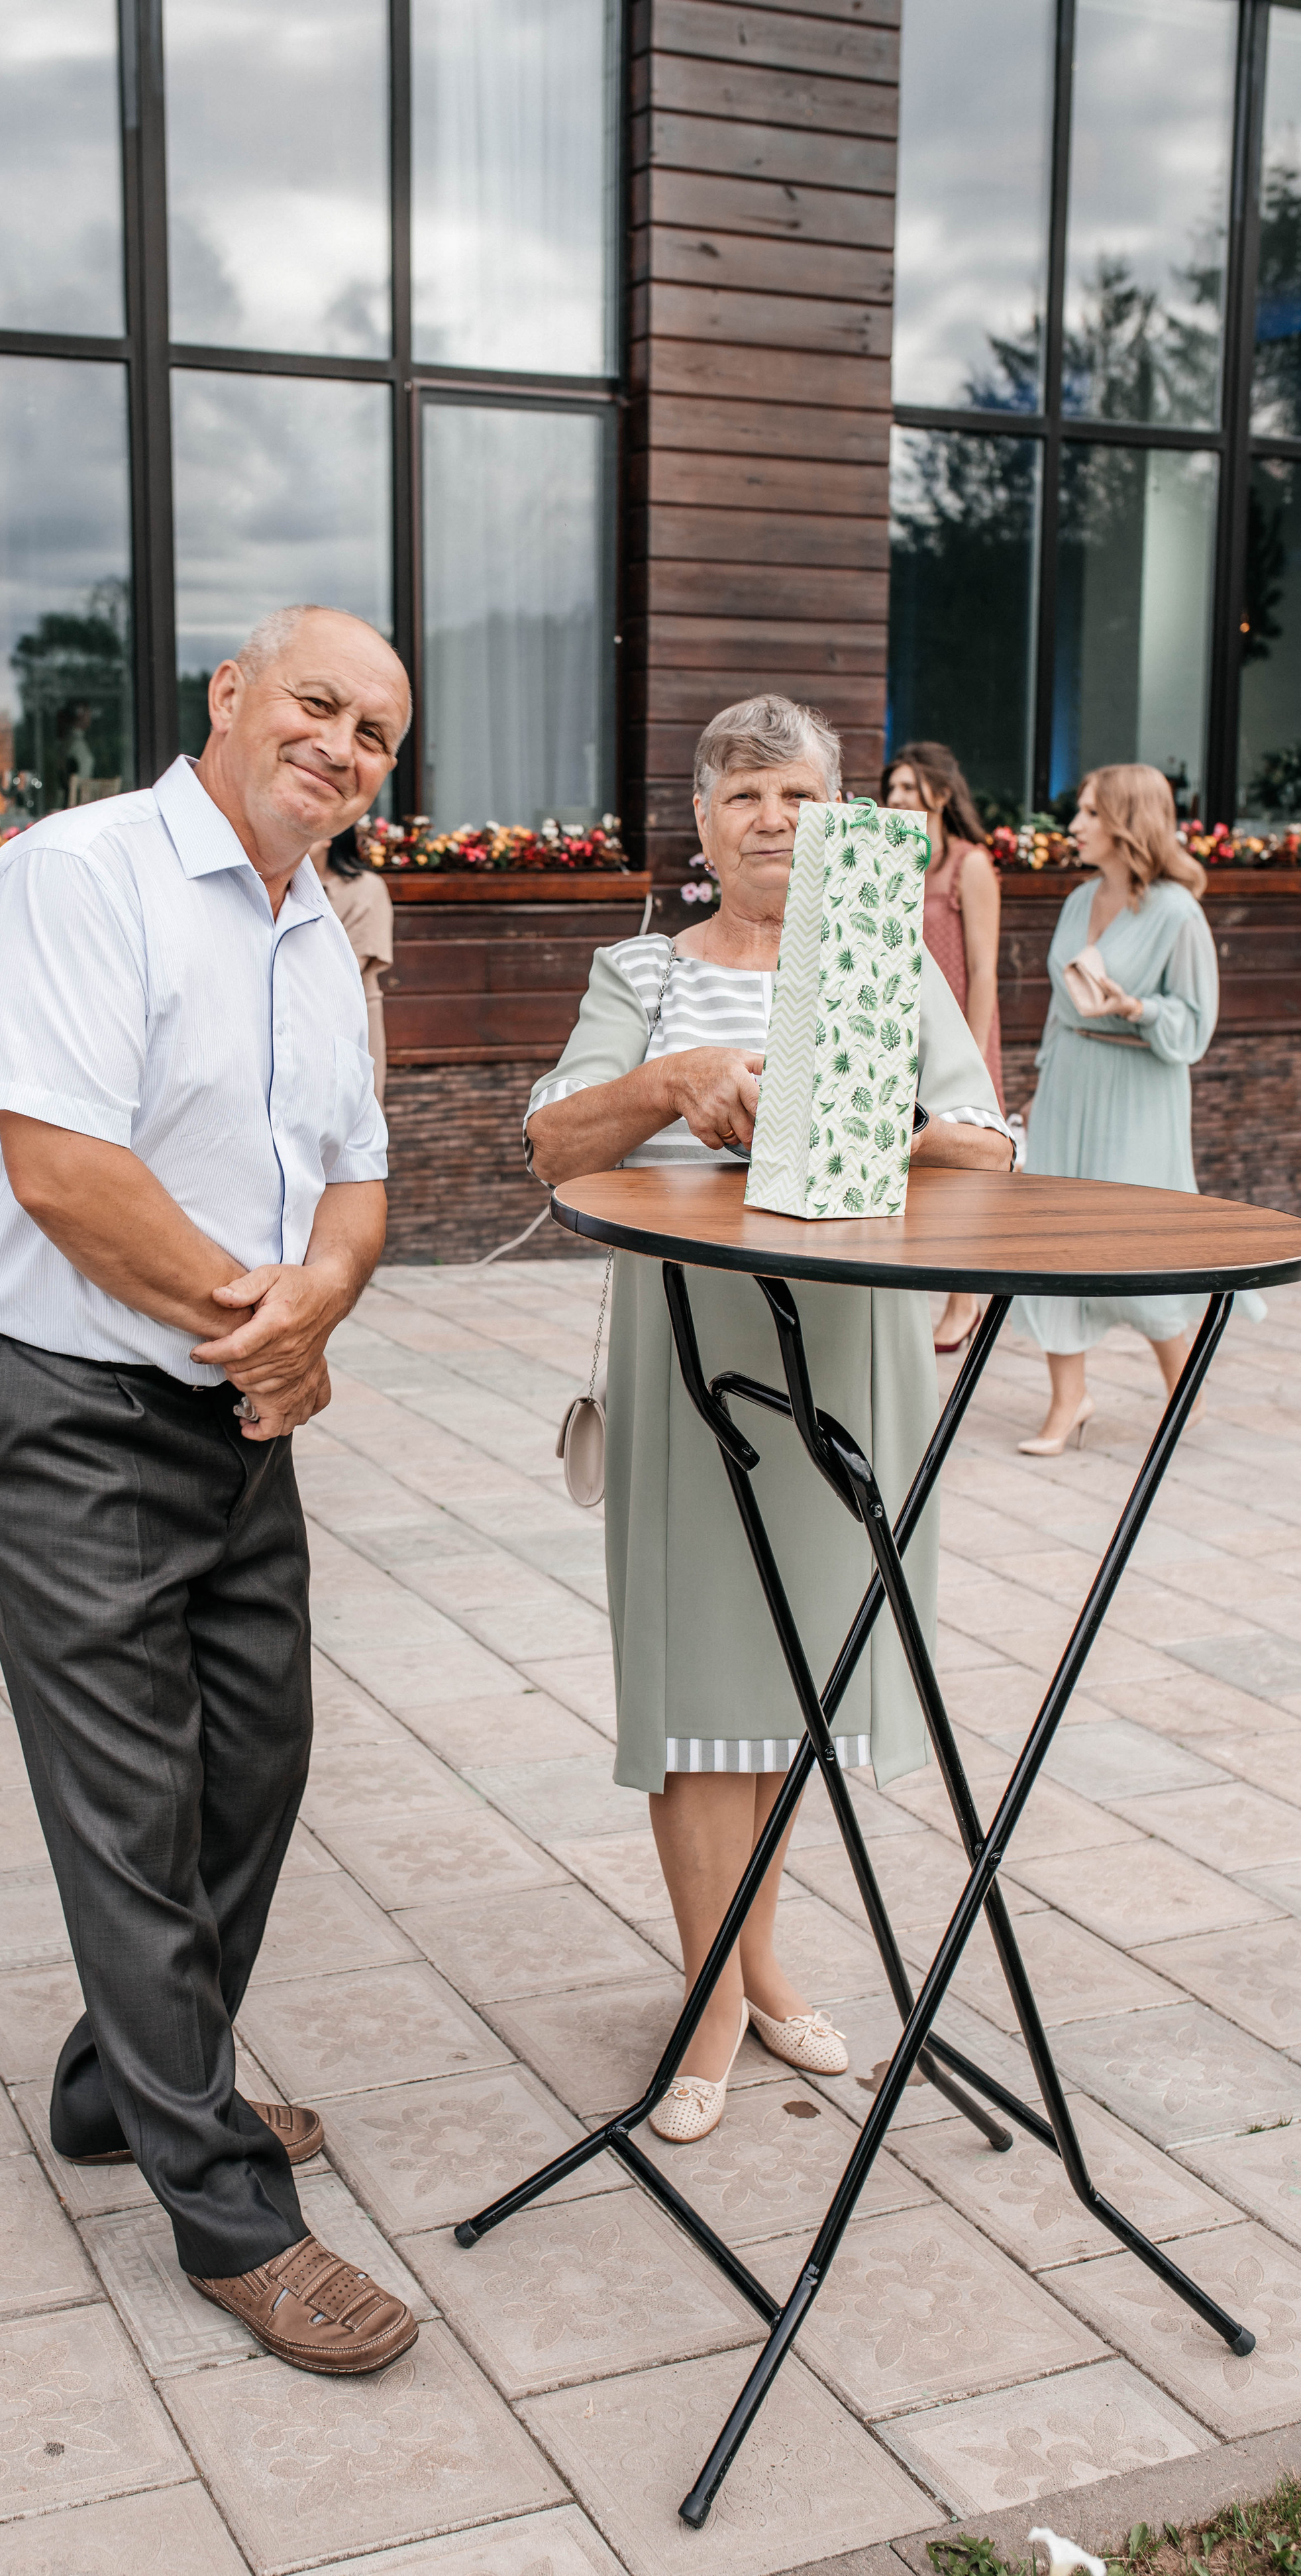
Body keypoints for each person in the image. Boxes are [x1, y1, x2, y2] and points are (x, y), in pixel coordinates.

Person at [0, 604, 417, 2375]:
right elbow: (62, 1170)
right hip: (63, 1404)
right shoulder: (81, 871)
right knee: (133, 1808)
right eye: (318, 703)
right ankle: (228, 2211)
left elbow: (355, 1182)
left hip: (226, 1411)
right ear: (230, 695)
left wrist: (318, 1307)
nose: (345, 748)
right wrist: (264, 1334)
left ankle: (117, 2086)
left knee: (253, 1768)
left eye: (376, 732)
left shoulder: (311, 926)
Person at [525, 696, 1012, 2143]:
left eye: (797, 796)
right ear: (699, 822)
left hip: (850, 1360)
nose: (770, 821)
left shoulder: (880, 966)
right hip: (687, 1356)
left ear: (838, 817)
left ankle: (756, 1965)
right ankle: (711, 1999)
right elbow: (550, 1134)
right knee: (697, 1694)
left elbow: (985, 1141)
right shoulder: (640, 973)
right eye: (742, 796)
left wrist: (845, 1107)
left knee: (792, 1689)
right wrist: (677, 1085)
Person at [1012, 764, 1222, 1455]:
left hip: (1138, 1086)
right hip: (1070, 1075)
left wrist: (1136, 1007)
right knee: (1053, 1242)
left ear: (1127, 824)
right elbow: (1058, 1000)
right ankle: (1068, 1400)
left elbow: (1193, 1026)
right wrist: (1043, 1081)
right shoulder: (1078, 899)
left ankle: (1181, 1392)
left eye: (1089, 814)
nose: (1072, 826)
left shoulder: (1176, 913)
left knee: (1133, 1240)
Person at [883, 740, 1005, 1355]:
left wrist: (977, 1055)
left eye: (909, 787)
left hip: (963, 1030)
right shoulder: (895, 859)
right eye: (893, 788)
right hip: (905, 1032)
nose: (897, 797)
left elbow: (984, 970)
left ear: (941, 791)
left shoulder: (970, 864)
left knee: (963, 1169)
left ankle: (965, 1302)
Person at [321, 825, 395, 1102]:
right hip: (285, 1018)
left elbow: (350, 965)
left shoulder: (366, 888)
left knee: (359, 1109)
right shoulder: (284, 883)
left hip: (351, 1016)